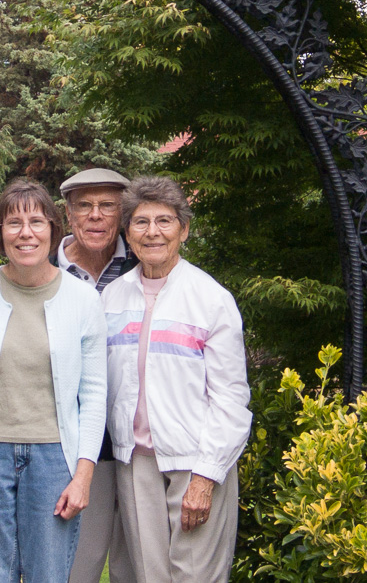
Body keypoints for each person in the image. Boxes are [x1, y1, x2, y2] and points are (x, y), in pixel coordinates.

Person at [0, 178, 108, 583]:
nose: (26, 232)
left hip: (56, 459)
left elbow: (94, 395)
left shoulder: (84, 299)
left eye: (36, 221)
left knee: (47, 574)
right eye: (13, 223)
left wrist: (83, 476)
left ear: (53, 229)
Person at [103, 176, 252, 583]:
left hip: (196, 463)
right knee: (147, 576)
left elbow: (231, 399)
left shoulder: (210, 299)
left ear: (183, 230)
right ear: (127, 233)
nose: (153, 232)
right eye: (141, 222)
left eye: (165, 221)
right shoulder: (111, 299)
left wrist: (206, 476)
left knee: (196, 576)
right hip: (136, 464)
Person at [56, 168, 137, 583]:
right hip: (69, 440)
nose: (95, 216)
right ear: (68, 215)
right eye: (84, 206)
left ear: (121, 214)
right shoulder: (40, 268)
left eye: (107, 206)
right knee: (75, 563)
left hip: (140, 439)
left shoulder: (147, 265)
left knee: (138, 563)